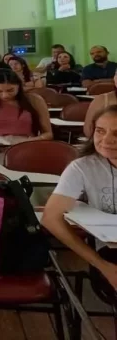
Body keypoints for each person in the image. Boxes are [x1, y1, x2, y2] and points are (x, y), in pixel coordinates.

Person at [43, 105, 117, 298]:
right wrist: (103, 266)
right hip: (111, 254)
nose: (106, 140)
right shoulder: (82, 168)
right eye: (100, 131)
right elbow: (51, 218)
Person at [0, 68, 52, 142]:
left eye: (10, 90)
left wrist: (28, 141)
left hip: (27, 143)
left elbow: (48, 134)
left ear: (19, 87)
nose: (5, 95)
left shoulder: (34, 100)